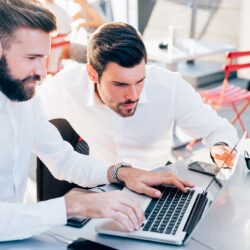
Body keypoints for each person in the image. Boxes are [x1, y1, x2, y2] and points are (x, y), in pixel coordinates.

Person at [0, 0, 193, 241]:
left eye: (45, 57)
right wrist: (72, 206)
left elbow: (62, 159)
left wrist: (121, 173)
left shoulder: (25, 97)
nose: (42, 71)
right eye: (32, 58)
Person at [40, 22, 238, 171]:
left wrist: (221, 147)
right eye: (120, 84)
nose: (134, 95)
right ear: (93, 74)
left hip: (158, 181)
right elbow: (26, 112)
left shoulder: (169, 87)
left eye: (140, 80)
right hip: (99, 185)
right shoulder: (67, 86)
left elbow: (217, 128)